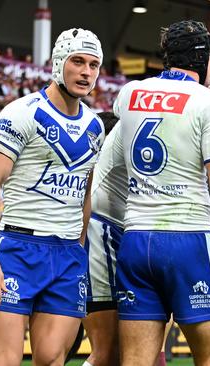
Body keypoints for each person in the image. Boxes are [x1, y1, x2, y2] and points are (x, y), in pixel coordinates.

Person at [113, 20, 210, 366]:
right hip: (186, 241)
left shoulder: (128, 93)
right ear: (203, 58)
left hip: (136, 239)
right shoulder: (208, 101)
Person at [0, 28, 105, 366]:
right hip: (18, 248)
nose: (86, 71)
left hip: (67, 256)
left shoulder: (95, 126)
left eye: (93, 64)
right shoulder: (20, 113)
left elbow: (86, 192)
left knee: (51, 359)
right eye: (78, 61)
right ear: (59, 62)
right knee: (5, 359)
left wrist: (78, 246)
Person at [80, 111, 124, 366]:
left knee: (113, 351)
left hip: (100, 240)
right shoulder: (102, 172)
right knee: (106, 351)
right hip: (100, 241)